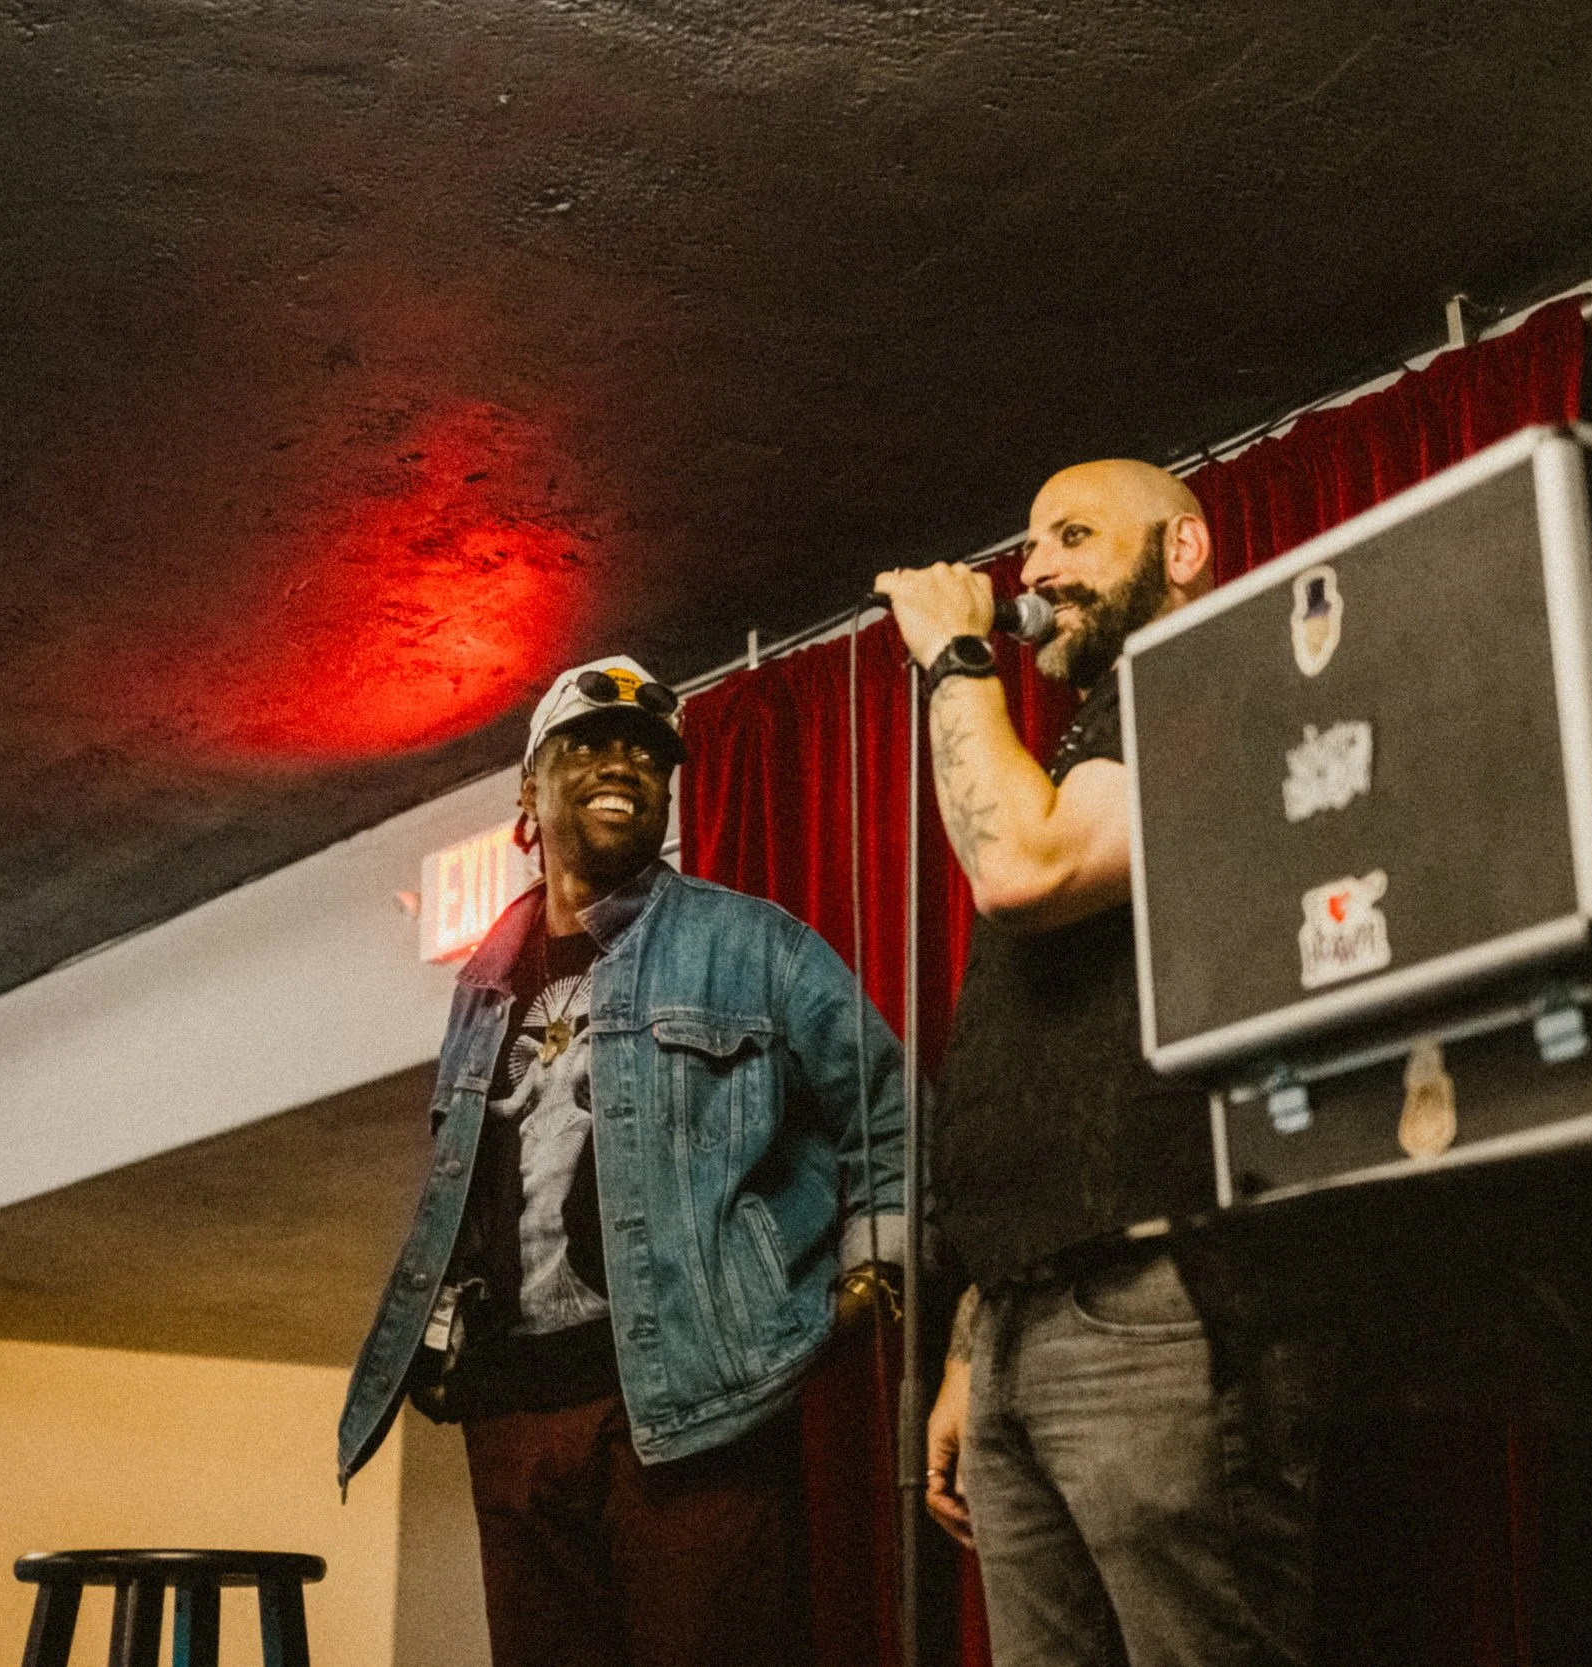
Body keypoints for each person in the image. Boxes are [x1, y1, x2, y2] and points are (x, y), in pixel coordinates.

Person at [337, 656, 907, 1667]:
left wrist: (864, 1270)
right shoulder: (485, 978)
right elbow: (475, 1180)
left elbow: (888, 1108)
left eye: (647, 753)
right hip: (512, 1411)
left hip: (692, 1410)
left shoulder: (748, 941)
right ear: (529, 788)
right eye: (589, 745)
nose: (622, 765)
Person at [877, 461, 1326, 1667]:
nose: (1036, 571)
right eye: (1029, 547)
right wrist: (980, 1334)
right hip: (1032, 1313)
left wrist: (954, 663)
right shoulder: (1082, 739)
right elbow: (1044, 1062)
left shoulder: (1208, 677)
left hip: (1158, 1302)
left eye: (1074, 535)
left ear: (1181, 550)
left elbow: (1025, 870)